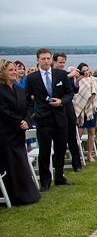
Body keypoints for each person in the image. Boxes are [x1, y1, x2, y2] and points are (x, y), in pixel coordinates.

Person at [24, 47, 74, 191]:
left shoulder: (61, 74)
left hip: (60, 117)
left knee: (60, 149)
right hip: (43, 118)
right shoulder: (32, 78)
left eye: (48, 58)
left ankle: (59, 176)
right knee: (44, 151)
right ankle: (45, 181)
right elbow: (27, 98)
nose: (46, 61)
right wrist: (32, 113)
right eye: (43, 59)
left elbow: (69, 93)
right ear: (37, 60)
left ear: (51, 59)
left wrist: (61, 101)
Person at [0, 60, 40, 206]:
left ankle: (27, 193)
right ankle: (14, 195)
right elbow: (3, 111)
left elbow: (28, 106)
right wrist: (19, 122)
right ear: (2, 72)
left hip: (19, 132)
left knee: (20, 161)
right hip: (5, 133)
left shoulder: (18, 89)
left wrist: (27, 120)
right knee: (11, 162)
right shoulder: (1, 90)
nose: (14, 72)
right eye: (11, 70)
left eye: (15, 70)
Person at [53, 52, 83, 172]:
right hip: (55, 110)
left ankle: (77, 163)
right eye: (60, 62)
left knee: (72, 138)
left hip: (68, 109)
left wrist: (76, 80)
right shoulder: (54, 75)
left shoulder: (67, 75)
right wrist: (70, 76)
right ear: (54, 62)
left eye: (63, 62)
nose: (62, 64)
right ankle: (56, 163)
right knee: (58, 139)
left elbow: (73, 90)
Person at [74, 65, 97, 162]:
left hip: (91, 109)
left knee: (91, 132)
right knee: (79, 132)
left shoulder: (94, 80)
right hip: (80, 110)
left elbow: (96, 93)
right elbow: (76, 96)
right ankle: (77, 154)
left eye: (87, 70)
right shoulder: (77, 80)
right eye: (83, 71)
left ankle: (89, 154)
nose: (86, 72)